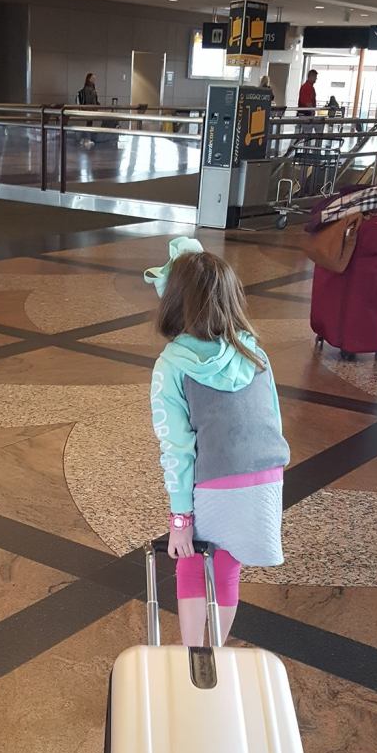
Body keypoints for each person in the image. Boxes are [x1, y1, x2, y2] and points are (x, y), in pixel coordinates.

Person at [149, 246, 289, 647]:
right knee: (227, 567)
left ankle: (194, 658)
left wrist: (180, 521)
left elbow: (177, 449)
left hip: (217, 480)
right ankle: (217, 652)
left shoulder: (172, 364)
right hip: (267, 479)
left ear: (174, 300)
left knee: (192, 563)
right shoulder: (254, 352)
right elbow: (273, 418)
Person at [77, 72, 99, 148]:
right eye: (93, 78)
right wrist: (94, 94)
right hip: (89, 109)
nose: (94, 79)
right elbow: (89, 100)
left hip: (90, 109)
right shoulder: (89, 89)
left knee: (89, 124)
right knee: (89, 124)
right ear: (89, 79)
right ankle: (86, 139)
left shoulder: (91, 87)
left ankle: (86, 139)